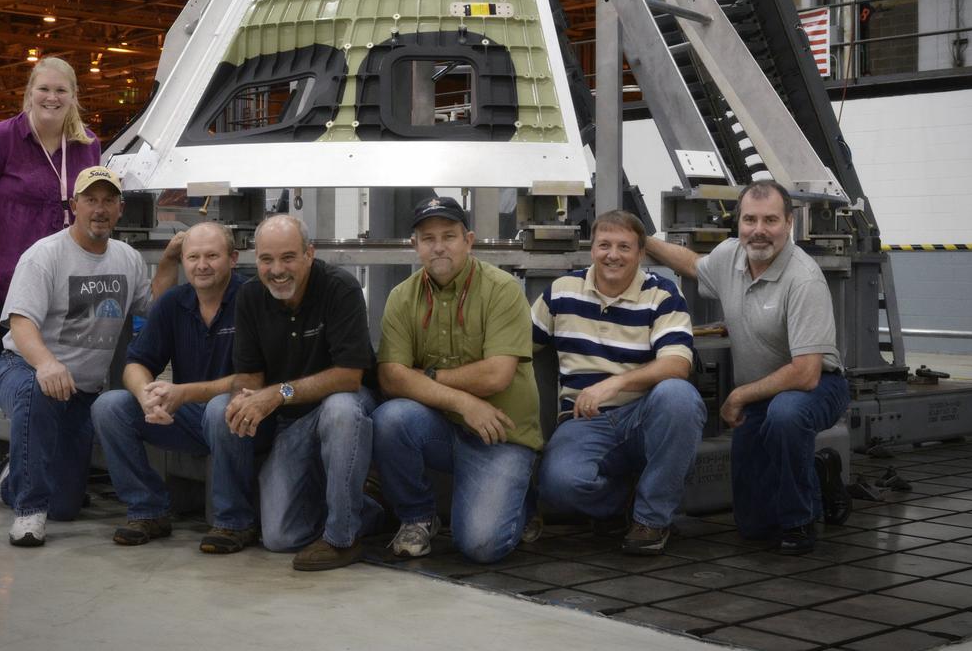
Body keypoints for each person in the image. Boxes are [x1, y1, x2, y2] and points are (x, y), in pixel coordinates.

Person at [644, 180, 849, 556]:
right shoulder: (731, 255)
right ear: (738, 222)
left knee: (786, 415)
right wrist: (640, 239)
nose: (759, 230)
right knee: (753, 526)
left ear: (789, 223)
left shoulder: (803, 280)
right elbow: (692, 264)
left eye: (770, 220)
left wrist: (738, 395)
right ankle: (818, 470)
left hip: (816, 387)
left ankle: (800, 521)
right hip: (761, 395)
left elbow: (806, 373)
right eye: (750, 220)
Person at [0, 56, 101, 513]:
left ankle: (38, 475)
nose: (52, 98)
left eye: (61, 91)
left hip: (52, 291)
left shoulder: (86, 145)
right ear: (29, 93)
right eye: (44, 89)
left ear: (73, 96)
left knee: (54, 381)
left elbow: (90, 210)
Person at [0, 166, 176, 547]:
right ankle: (28, 511)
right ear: (74, 206)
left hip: (80, 393)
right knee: (37, 390)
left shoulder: (127, 258)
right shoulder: (44, 255)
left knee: (65, 506)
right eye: (91, 200)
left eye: (109, 200)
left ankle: (11, 478)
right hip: (22, 369)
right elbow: (21, 323)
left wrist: (171, 260)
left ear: (121, 209)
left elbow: (155, 307)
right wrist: (46, 363)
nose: (100, 209)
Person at [372, 197, 542, 564]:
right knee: (390, 419)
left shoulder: (502, 289)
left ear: (469, 240)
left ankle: (522, 499)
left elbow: (497, 374)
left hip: (499, 435)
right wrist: (464, 402)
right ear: (415, 245)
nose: (438, 247)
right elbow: (391, 378)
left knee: (482, 546)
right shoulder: (402, 297)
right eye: (428, 238)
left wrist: (427, 377)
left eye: (449, 236)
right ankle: (418, 517)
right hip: (443, 429)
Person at [532, 210, 707, 555]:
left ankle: (651, 519)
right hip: (583, 420)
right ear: (592, 249)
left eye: (624, 247)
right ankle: (624, 501)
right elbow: (515, 346)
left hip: (643, 415)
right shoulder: (562, 293)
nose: (613, 255)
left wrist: (614, 384)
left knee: (679, 397)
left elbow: (677, 364)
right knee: (558, 485)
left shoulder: (662, 295)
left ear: (641, 253)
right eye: (604, 245)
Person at [216, 215, 381, 570]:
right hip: (292, 420)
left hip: (345, 406)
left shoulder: (340, 288)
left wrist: (278, 393)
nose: (277, 270)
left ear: (309, 253)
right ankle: (368, 508)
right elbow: (249, 374)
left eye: (288, 257)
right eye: (266, 259)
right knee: (280, 537)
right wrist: (243, 399)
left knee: (340, 409)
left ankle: (342, 538)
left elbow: (349, 376)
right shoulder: (250, 297)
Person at [91, 221, 249, 551]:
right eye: (193, 257)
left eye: (212, 256)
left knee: (220, 408)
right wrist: (146, 396)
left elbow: (253, 380)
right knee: (109, 407)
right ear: (183, 261)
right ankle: (148, 510)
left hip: (244, 419)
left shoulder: (251, 300)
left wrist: (184, 394)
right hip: (190, 417)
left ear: (233, 259)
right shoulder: (174, 303)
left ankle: (234, 522)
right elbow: (136, 364)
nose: (202, 265)